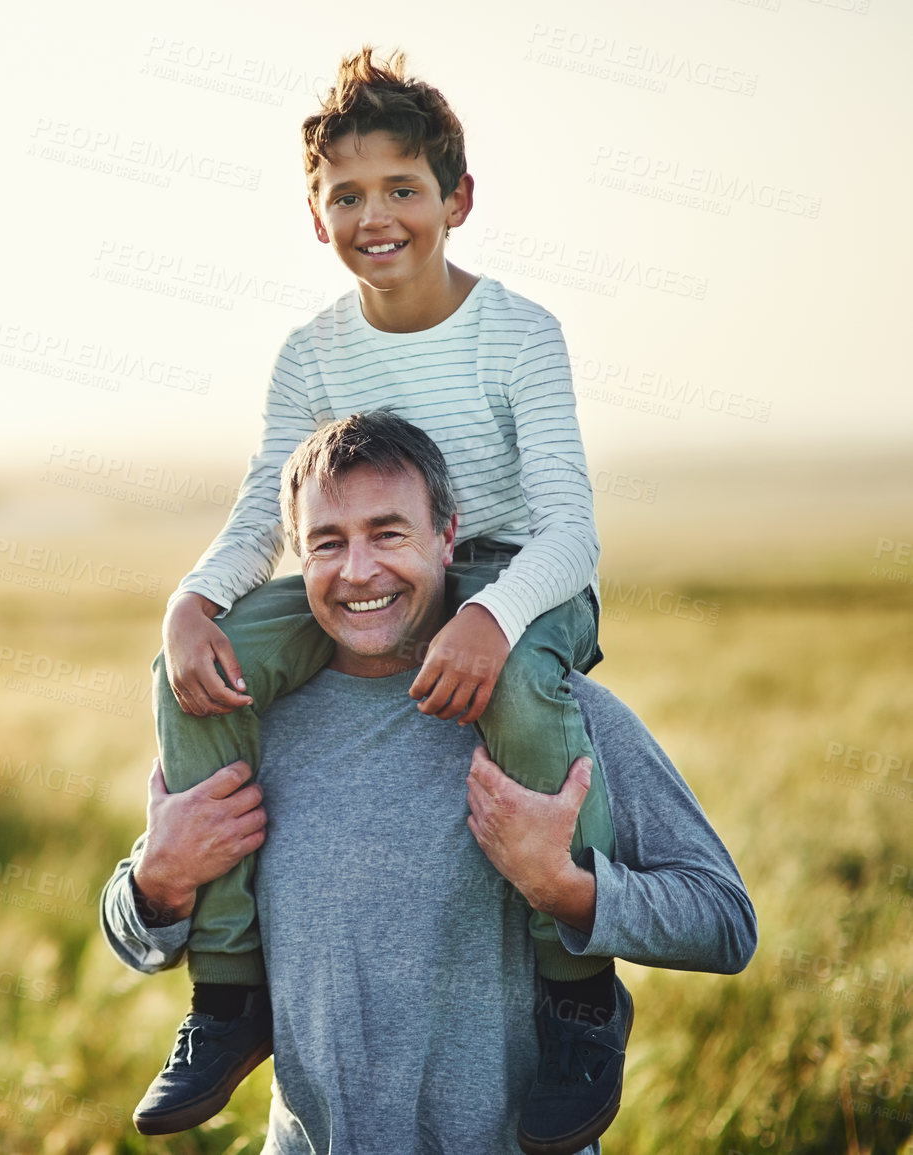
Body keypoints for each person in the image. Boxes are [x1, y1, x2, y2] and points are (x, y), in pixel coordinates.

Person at [133, 46, 621, 1153]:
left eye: (402, 188)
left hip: (517, 576)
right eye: (346, 195)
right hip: (363, 573)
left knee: (524, 701)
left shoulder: (518, 334)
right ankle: (225, 990)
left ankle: (578, 993)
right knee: (191, 675)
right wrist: (191, 602)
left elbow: (572, 527)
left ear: (456, 198)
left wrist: (493, 617)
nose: (377, 215)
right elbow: (268, 509)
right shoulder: (310, 356)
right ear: (317, 218)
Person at [104, 413, 757, 1153]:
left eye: (388, 533)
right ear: (296, 555)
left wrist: (564, 887)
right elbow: (134, 937)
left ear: (446, 537)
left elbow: (725, 923)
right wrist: (158, 879)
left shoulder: (557, 712)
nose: (357, 570)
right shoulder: (254, 720)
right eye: (327, 542)